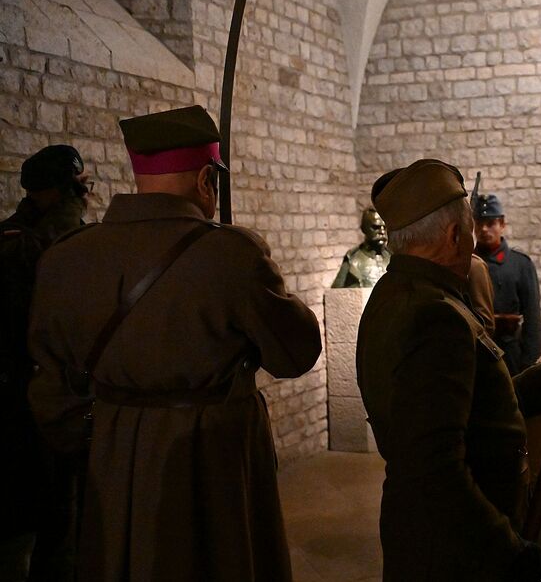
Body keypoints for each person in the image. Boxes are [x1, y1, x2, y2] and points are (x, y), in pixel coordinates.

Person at [27, 105, 322, 582]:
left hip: (112, 458)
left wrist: (110, 433)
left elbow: (49, 383)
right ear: (206, 180)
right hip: (213, 462)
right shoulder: (231, 254)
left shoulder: (65, 257)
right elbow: (295, 354)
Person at [356, 159, 541, 581]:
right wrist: (517, 556)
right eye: (471, 227)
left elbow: (467, 409)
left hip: (435, 537)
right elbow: (437, 473)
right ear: (455, 235)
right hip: (459, 553)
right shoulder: (435, 315)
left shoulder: (397, 292)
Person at [1, 145, 89, 582]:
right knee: (34, 524)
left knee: (59, 520)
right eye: (75, 188)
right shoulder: (21, 243)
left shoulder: (60, 237)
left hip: (53, 399)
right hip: (23, 402)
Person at [473, 193, 541, 375]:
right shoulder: (466, 264)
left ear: (502, 225)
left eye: (490, 223)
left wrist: (529, 364)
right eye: (479, 224)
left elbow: (532, 318)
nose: (484, 229)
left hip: (510, 355)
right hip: (475, 355)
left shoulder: (520, 264)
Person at [332, 206, 391, 287]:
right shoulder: (352, 258)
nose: (382, 232)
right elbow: (336, 292)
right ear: (364, 228)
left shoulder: (392, 258)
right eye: (376, 227)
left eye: (384, 228)